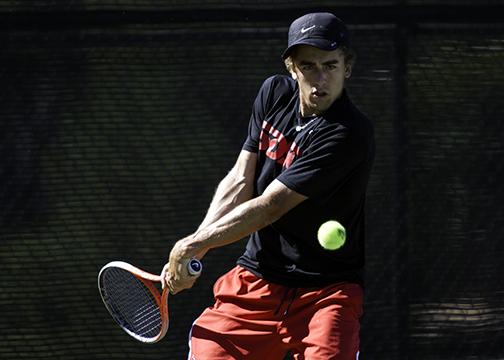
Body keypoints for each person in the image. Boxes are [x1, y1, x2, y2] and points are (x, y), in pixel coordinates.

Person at [161, 12, 375, 360]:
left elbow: (271, 205)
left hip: (325, 293)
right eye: (308, 66)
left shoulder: (349, 134)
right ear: (292, 68)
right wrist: (197, 249)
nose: (320, 78)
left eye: (331, 65)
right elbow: (240, 179)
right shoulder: (273, 93)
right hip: (256, 281)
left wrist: (191, 244)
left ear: (347, 67)